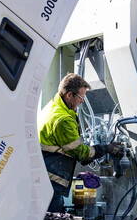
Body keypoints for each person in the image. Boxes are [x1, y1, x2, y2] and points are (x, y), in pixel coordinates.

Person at [38, 73, 122, 212]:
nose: (82, 101)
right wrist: (106, 148)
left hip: (43, 179)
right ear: (69, 95)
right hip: (51, 182)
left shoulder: (52, 107)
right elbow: (82, 154)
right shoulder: (62, 120)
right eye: (81, 97)